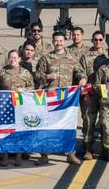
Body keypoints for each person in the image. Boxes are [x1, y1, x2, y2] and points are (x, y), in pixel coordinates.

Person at [36, 32, 87, 165]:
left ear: (64, 41)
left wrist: (82, 78)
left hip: (66, 98)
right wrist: (47, 76)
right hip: (50, 97)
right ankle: (44, 155)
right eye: (56, 41)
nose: (58, 43)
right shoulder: (46, 58)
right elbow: (37, 75)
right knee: (47, 125)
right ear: (52, 42)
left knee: (68, 126)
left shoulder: (71, 57)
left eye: (60, 41)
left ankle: (70, 153)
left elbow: (80, 71)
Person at [0, 50, 35, 166]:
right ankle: (5, 155)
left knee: (19, 130)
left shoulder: (25, 73)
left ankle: (18, 156)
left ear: (19, 59)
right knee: (6, 131)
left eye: (15, 58)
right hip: (6, 106)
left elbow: (32, 88)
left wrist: (24, 91)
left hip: (20, 106)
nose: (13, 60)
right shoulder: (2, 72)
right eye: (11, 58)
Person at [78, 31, 108, 159]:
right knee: (88, 122)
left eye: (100, 39)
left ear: (104, 40)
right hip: (90, 94)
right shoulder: (86, 56)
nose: (98, 42)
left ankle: (105, 148)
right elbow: (80, 71)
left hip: (105, 95)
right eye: (95, 40)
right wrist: (82, 79)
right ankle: (88, 148)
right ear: (92, 40)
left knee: (105, 122)